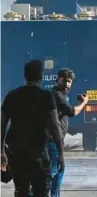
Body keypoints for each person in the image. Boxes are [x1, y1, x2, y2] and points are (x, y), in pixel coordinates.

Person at [1, 60, 64, 197]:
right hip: (39, 155)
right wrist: (61, 153)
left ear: (25, 75)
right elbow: (55, 126)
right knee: (41, 191)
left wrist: (1, 151)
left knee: (21, 191)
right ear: (41, 76)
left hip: (18, 155)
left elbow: (2, 125)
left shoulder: (12, 95)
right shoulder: (46, 96)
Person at [49, 68, 89, 197]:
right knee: (53, 171)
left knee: (59, 170)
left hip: (55, 140)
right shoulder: (57, 95)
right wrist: (84, 103)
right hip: (52, 141)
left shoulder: (58, 95)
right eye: (64, 80)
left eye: (69, 81)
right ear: (57, 79)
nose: (66, 84)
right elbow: (72, 112)